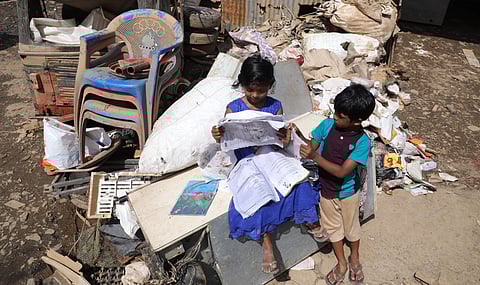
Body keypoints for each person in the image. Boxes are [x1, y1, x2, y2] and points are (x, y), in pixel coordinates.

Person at [211, 55, 325, 274]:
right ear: (242, 85)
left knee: (298, 182)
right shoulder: (232, 108)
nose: (255, 95)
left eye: (261, 91)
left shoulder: (275, 106)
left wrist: (285, 137)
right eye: (250, 90)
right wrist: (218, 134)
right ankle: (267, 243)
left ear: (270, 87)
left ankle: (310, 220)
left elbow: (282, 141)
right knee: (258, 192)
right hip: (246, 160)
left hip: (271, 155)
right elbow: (224, 141)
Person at [298, 84, 375, 284]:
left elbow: (342, 172)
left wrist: (315, 156)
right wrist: (298, 141)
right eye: (335, 113)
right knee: (333, 229)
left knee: (351, 228)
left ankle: (354, 257)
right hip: (326, 191)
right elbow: (310, 146)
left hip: (348, 192)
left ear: (357, 121)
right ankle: (341, 262)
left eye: (341, 117)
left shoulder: (361, 142)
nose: (335, 118)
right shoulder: (326, 125)